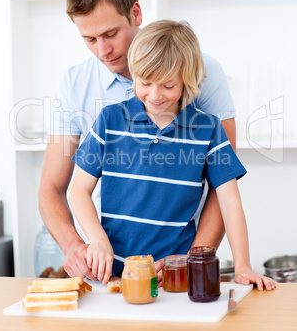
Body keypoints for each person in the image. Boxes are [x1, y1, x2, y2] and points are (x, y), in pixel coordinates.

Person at [38, 0, 236, 283]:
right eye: (89, 39)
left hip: (175, 262)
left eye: (110, 34)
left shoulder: (202, 70)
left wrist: (190, 261)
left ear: (136, 13)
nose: (102, 51)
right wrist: (76, 245)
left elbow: (223, 186)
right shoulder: (75, 85)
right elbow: (53, 187)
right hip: (110, 267)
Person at [69, 20, 275, 291]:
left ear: (186, 81)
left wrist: (243, 266)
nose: (155, 95)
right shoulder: (110, 120)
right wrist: (96, 240)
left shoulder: (209, 130)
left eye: (168, 85)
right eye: (145, 82)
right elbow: (77, 191)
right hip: (112, 279)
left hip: (174, 280)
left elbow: (229, 202)